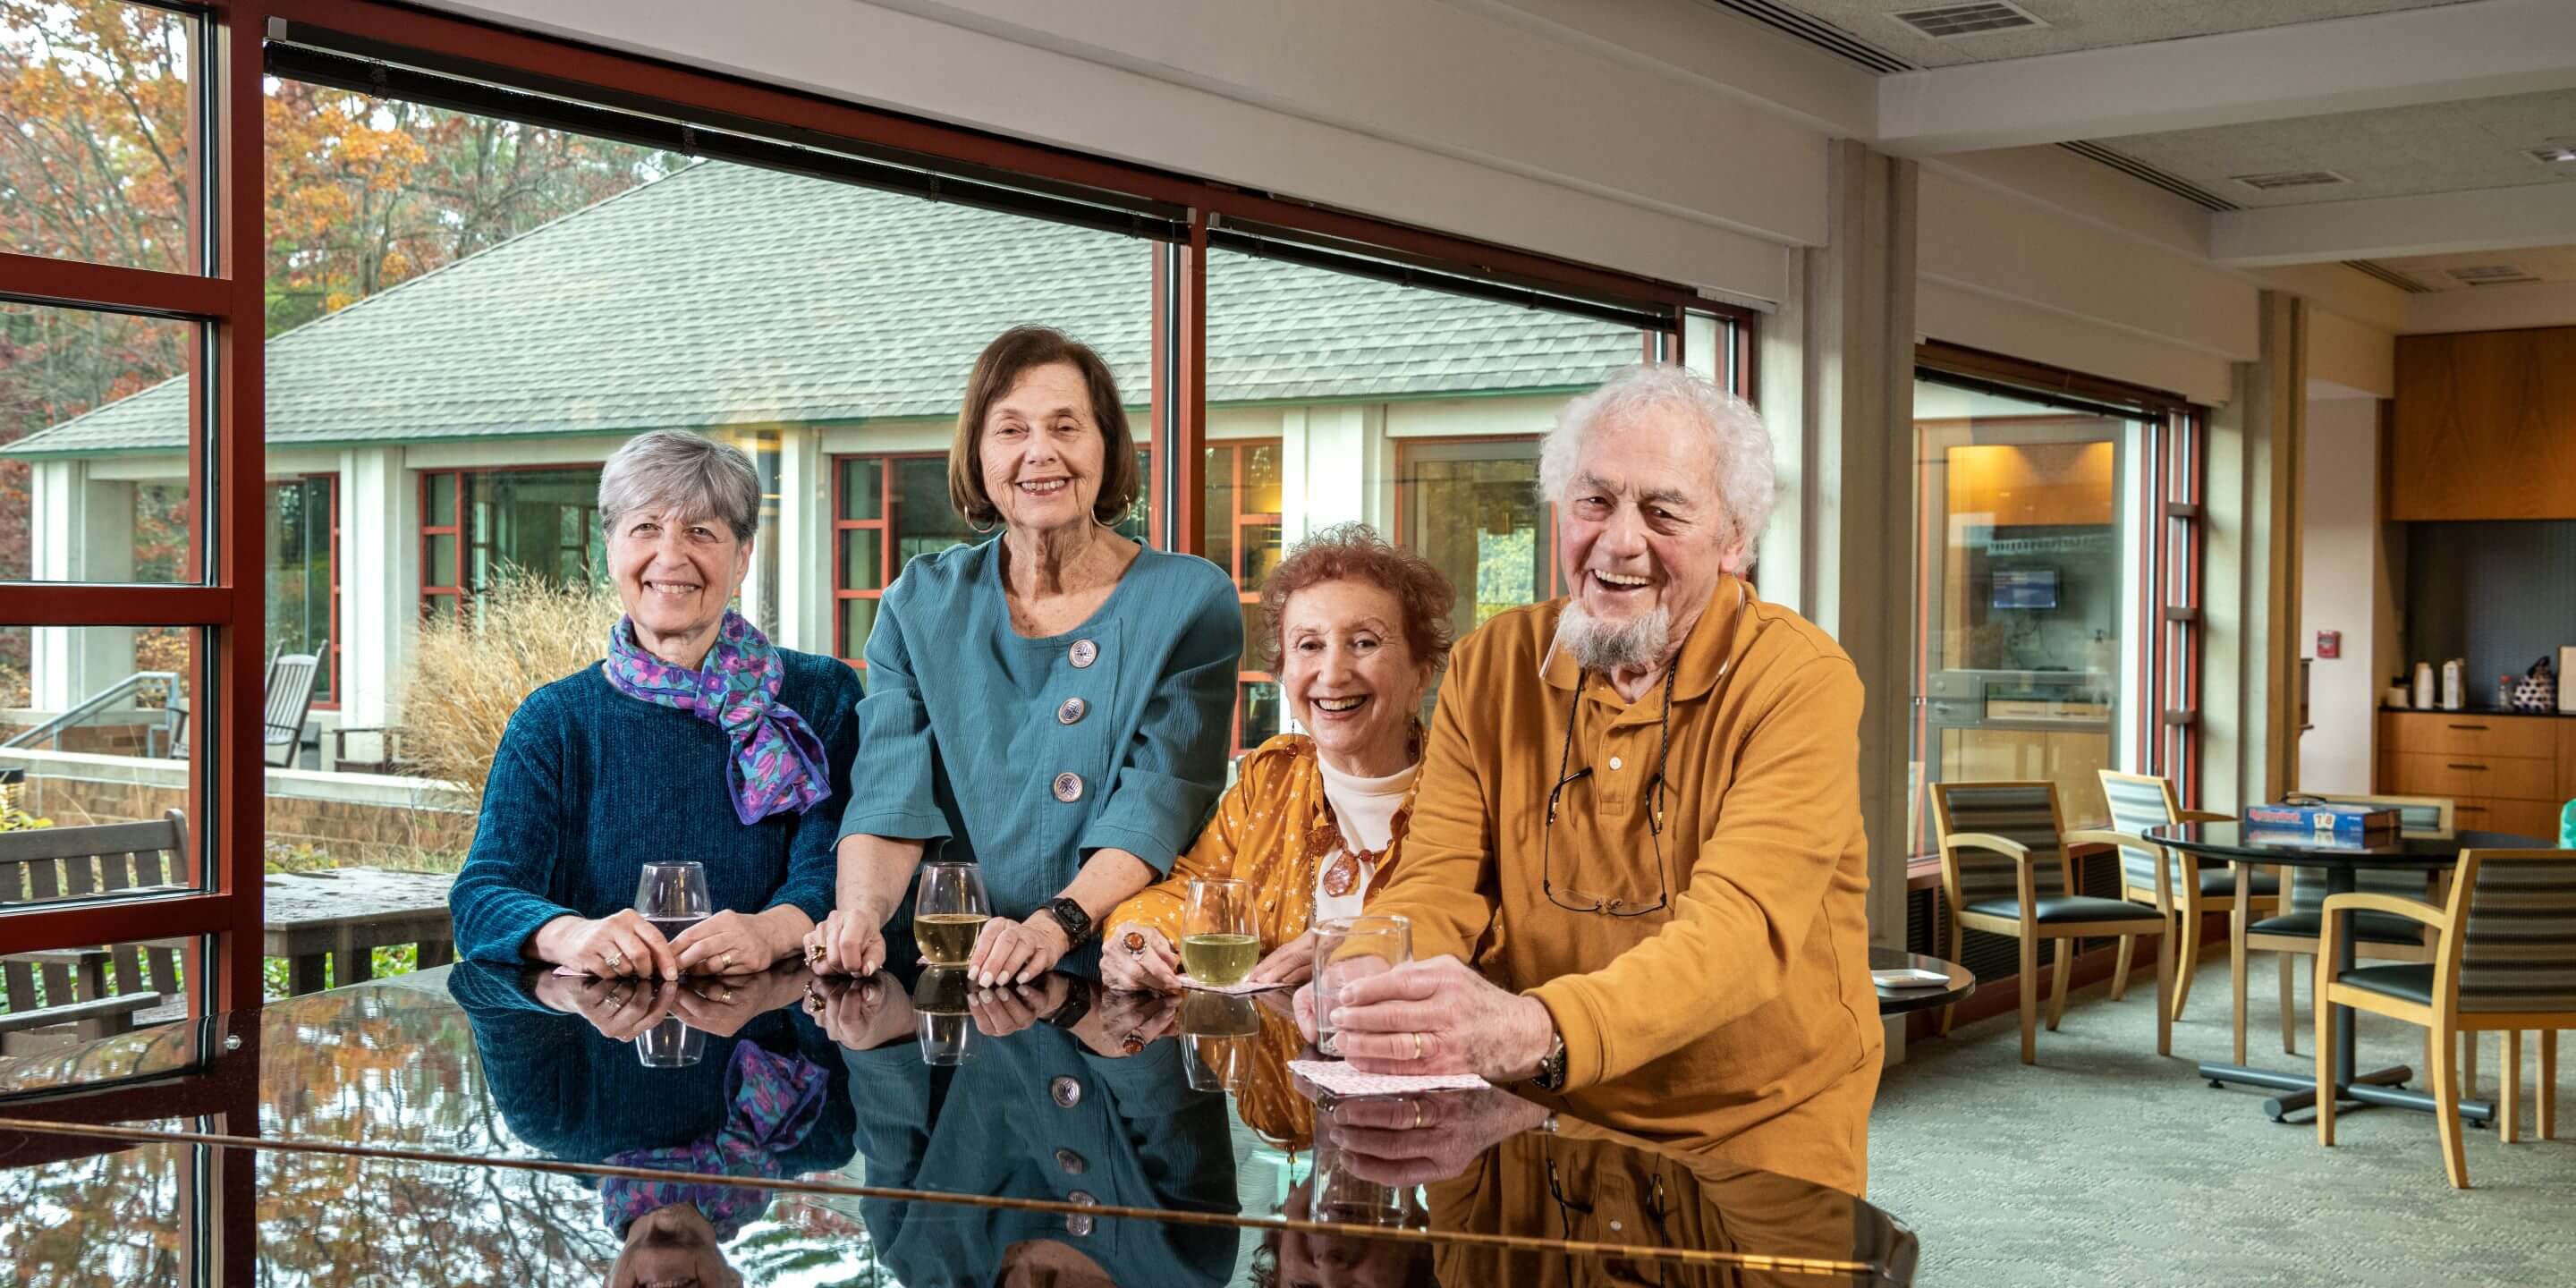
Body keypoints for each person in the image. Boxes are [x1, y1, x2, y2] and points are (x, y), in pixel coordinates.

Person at [1301, 363, 1882, 1196]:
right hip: (1535, 1108)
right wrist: (1367, 969)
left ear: (1735, 540)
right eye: (1595, 501)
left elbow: (1739, 932)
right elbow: (1440, 881)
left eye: (1664, 511)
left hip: (1748, 1130)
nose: (1619, 541)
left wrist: (1533, 1026)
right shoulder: (1492, 662)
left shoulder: (1801, 680)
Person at [807, 326, 1239, 987]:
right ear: (978, 454)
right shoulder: (918, 602)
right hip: (946, 977)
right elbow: (889, 798)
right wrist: (858, 916)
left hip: (1115, 977)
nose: (1041, 453)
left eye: (1066, 427)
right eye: (1011, 431)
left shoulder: (1189, 600)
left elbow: (1160, 802)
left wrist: (1053, 924)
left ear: (1106, 446)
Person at [449, 430, 862, 979]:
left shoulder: (820, 694)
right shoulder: (553, 721)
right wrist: (572, 935)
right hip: (601, 1031)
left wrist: (770, 931)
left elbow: (834, 872)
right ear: (610, 550)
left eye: (700, 531)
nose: (670, 556)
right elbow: (484, 896)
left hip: (773, 1029)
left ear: (742, 557)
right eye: (645, 527)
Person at [1100, 523, 1453, 992]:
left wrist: (1357, 946)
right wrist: (1137, 936)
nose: (1332, 673)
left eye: (1365, 642)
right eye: (1309, 645)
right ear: (1283, 673)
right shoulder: (1273, 777)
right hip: (1276, 1060)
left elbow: (1494, 938)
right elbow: (1188, 891)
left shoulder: (1463, 790)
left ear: (1420, 675)